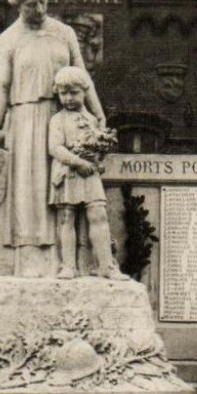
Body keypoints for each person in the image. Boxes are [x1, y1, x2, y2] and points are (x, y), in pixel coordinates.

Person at [0, 0, 104, 274]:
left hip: (64, 118)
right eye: (32, 5)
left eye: (43, 1)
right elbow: (0, 85)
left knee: (67, 187)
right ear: (19, 6)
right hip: (26, 120)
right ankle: (31, 259)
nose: (40, 9)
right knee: (31, 190)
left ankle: (69, 261)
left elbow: (83, 78)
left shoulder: (65, 33)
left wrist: (98, 115)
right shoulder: (9, 39)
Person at [47, 66, 128, 280]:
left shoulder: (93, 120)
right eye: (63, 93)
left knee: (98, 215)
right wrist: (77, 161)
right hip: (68, 172)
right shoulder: (58, 120)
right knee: (66, 217)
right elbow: (55, 148)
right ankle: (68, 266)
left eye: (73, 92)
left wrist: (97, 157)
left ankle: (106, 266)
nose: (68, 98)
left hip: (90, 173)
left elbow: (99, 146)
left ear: (84, 91)